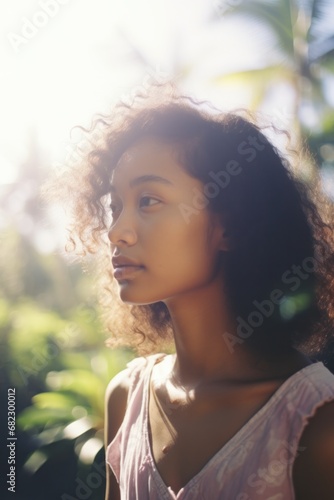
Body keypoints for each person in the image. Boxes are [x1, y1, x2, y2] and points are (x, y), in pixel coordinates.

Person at [57, 85, 334, 499]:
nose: (116, 231)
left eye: (148, 200)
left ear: (229, 225)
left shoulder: (316, 421)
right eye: (116, 206)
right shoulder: (126, 399)